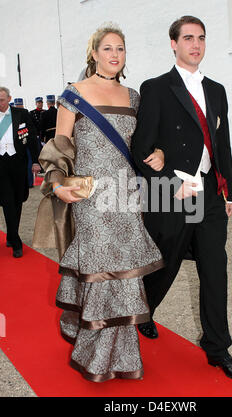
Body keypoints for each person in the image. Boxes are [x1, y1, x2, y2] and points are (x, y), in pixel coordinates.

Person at [34, 24, 164, 382]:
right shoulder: (73, 95)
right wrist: (56, 183)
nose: (114, 55)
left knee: (123, 274)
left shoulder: (134, 97)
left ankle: (121, 355)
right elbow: (60, 146)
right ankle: (96, 351)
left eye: (120, 49)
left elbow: (143, 144)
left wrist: (160, 153)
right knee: (99, 269)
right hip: (90, 196)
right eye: (107, 48)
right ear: (93, 53)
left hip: (125, 195)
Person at [131, 16, 232, 381]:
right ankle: (143, 309)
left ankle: (218, 347)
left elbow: (222, 144)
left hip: (210, 192)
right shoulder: (156, 88)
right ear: (174, 44)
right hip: (175, 191)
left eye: (201, 38)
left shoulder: (217, 90)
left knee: (215, 267)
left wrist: (230, 191)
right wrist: (167, 181)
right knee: (165, 261)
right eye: (187, 38)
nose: (195, 45)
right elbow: (141, 147)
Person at [0, 87, 40, 257]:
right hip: (0, 164)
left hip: (18, 162)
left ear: (9, 98)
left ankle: (10, 234)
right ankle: (16, 242)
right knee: (8, 200)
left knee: (18, 199)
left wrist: (37, 161)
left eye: (1, 99)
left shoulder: (21, 114)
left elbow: (31, 138)